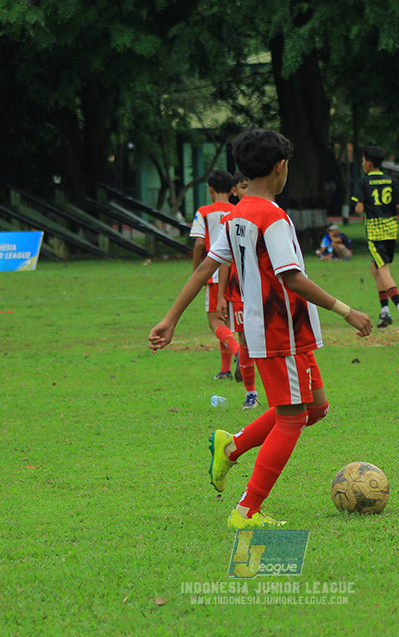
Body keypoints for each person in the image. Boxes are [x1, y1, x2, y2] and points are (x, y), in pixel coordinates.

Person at [149, 128, 372, 528]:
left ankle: (232, 447)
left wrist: (170, 318)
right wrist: (346, 310)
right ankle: (246, 510)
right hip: (278, 331)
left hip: (283, 330)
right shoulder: (272, 216)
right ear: (280, 167)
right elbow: (293, 278)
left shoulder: (235, 215)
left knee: (315, 408)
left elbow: (204, 270)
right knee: (291, 418)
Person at [351, 145, 399, 330]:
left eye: (363, 161)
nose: (363, 164)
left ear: (369, 163)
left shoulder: (362, 182)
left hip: (375, 233)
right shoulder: (391, 181)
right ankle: (384, 313)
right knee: (375, 269)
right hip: (391, 231)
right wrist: (391, 209)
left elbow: (359, 209)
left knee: (383, 270)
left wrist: (367, 208)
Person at [189, 169, 240, 380]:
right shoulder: (237, 209)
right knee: (226, 322)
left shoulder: (204, 211)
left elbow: (200, 241)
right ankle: (225, 369)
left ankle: (240, 354)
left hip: (214, 272)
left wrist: (196, 273)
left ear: (210, 190)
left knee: (215, 322)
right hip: (234, 273)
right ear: (231, 190)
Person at [216, 172, 261, 410]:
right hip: (238, 291)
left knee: (268, 339)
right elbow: (224, 260)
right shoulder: (229, 220)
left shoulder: (266, 214)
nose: (248, 190)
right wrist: (222, 295)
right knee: (245, 340)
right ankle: (251, 393)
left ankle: (277, 390)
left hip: (263, 288)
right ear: (234, 191)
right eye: (244, 186)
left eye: (250, 185)